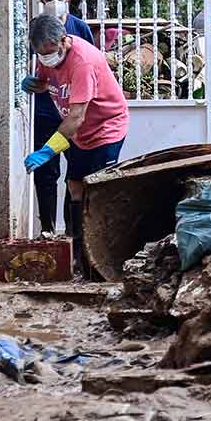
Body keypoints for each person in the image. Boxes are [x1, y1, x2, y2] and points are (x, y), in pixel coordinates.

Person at [22, 14, 129, 270]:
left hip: (105, 128)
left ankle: (103, 258)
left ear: (63, 41)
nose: (46, 58)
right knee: (75, 186)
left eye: (49, 52)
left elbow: (76, 117)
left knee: (98, 190)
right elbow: (47, 83)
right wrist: (33, 85)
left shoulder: (83, 61)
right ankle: (80, 255)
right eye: (40, 53)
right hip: (80, 134)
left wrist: (48, 151)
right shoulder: (47, 56)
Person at [31, 0, 94, 235]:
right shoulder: (36, 30)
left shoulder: (80, 29)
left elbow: (93, 69)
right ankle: (47, 230)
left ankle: (72, 234)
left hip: (73, 117)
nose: (54, 3)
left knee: (75, 178)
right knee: (46, 174)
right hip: (46, 113)